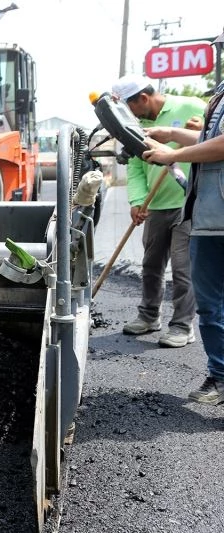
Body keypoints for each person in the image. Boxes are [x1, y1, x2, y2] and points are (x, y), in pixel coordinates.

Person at [141, 54, 224, 402]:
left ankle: (221, 378)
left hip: (217, 215)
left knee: (213, 302)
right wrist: (174, 134)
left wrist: (170, 154)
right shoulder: (220, 92)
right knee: (211, 304)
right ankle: (220, 377)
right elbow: (209, 139)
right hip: (208, 215)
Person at [111, 74, 206, 347]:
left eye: (129, 107)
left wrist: (197, 130)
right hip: (155, 206)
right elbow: (135, 168)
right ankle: (149, 316)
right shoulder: (135, 125)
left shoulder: (191, 106)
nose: (128, 114)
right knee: (151, 266)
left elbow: (213, 140)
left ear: (143, 98)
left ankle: (182, 326)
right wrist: (137, 201)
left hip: (189, 202)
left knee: (182, 267)